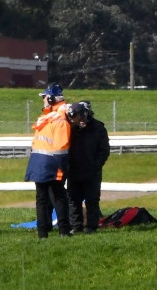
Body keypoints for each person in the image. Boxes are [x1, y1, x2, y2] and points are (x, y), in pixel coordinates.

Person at [24, 84, 72, 238]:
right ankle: (63, 231)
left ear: (51, 99)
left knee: (41, 198)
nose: (43, 100)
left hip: (39, 163)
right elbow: (61, 149)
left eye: (44, 97)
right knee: (58, 197)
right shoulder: (59, 121)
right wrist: (63, 167)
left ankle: (42, 232)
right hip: (52, 163)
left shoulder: (45, 120)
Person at [66, 101, 110, 234]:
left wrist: (96, 165)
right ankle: (76, 226)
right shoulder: (70, 127)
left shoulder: (98, 128)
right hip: (74, 170)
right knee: (74, 200)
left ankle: (92, 226)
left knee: (92, 200)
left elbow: (104, 150)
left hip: (92, 171)